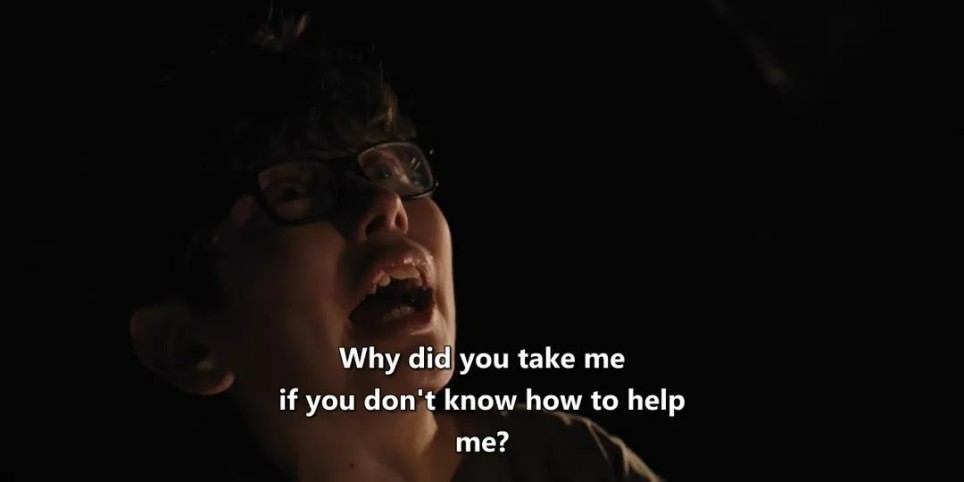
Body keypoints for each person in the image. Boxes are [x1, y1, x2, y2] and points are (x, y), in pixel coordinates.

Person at [127, 14, 660, 482]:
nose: (385, 203)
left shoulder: (568, 459)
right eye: (292, 193)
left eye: (387, 170)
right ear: (190, 348)